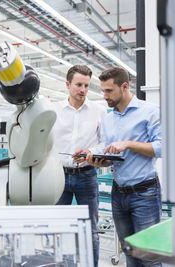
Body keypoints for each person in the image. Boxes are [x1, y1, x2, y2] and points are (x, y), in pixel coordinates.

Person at [86, 66, 162, 267]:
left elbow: (162, 147)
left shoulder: (150, 112)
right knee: (130, 255)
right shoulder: (109, 120)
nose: (104, 96)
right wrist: (99, 160)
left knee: (150, 258)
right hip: (118, 194)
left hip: (145, 193)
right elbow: (113, 156)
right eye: (102, 91)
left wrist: (128, 143)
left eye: (109, 90)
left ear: (125, 86)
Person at [51, 65, 106, 267]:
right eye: (78, 85)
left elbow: (104, 142)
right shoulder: (54, 110)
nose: (82, 90)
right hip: (58, 176)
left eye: (86, 85)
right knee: (59, 227)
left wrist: (92, 152)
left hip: (87, 175)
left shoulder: (98, 111)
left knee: (90, 228)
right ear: (68, 85)